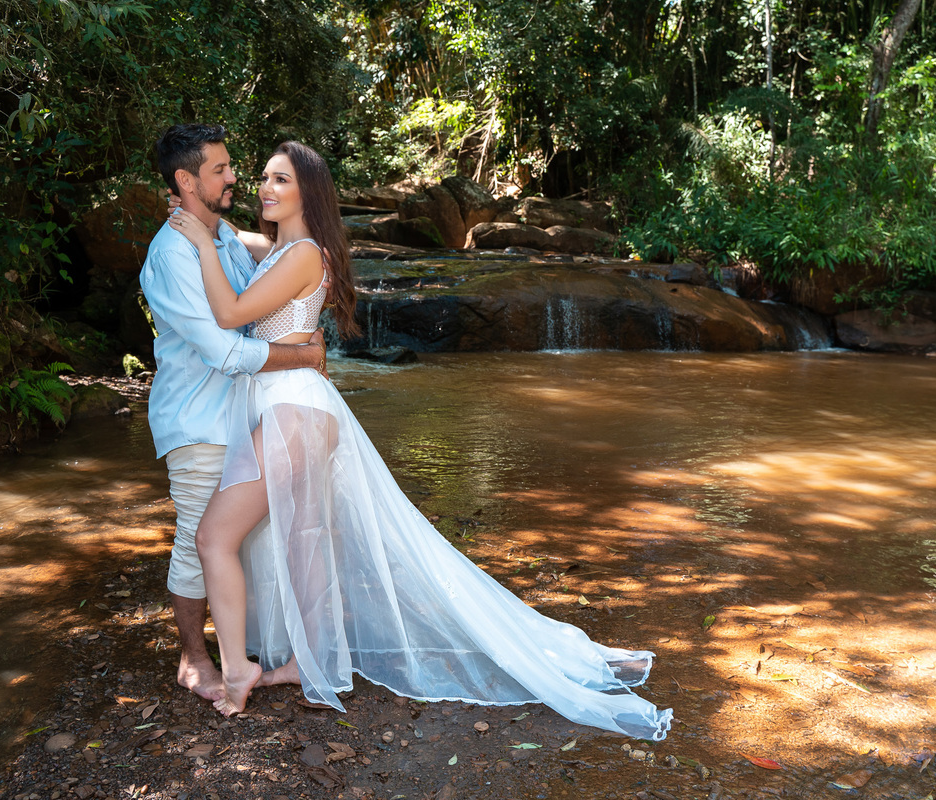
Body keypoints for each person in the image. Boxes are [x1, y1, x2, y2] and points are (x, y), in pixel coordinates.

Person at [170, 140, 673, 741]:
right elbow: (253, 247)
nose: (265, 188)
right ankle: (308, 662)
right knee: (303, 543)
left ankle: (235, 676)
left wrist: (199, 241)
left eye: (281, 180)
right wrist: (210, 221)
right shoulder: (287, 248)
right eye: (263, 178)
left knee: (214, 537)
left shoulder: (303, 254)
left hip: (293, 411)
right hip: (297, 407)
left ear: (309, 191)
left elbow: (228, 315)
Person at [140, 124, 329, 701]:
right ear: (185, 180)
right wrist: (302, 353)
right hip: (200, 421)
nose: (236, 178)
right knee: (201, 540)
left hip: (252, 414)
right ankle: (197, 658)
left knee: (259, 537)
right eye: (221, 170)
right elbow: (225, 349)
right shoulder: (175, 252)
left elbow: (275, 261)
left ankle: (276, 653)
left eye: (235, 167)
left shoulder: (218, 235)